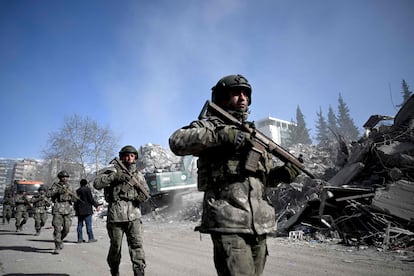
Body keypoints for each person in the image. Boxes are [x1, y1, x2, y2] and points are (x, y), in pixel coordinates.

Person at [169, 74, 301, 276]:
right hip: (228, 221)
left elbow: (258, 181)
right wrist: (221, 136)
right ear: (222, 97)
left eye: (245, 94)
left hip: (259, 225)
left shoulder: (255, 136)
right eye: (236, 93)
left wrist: (283, 174)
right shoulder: (211, 126)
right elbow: (177, 141)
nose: (242, 98)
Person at [94, 145, 149, 276]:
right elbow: (97, 184)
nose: (129, 158)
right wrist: (115, 176)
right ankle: (114, 270)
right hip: (116, 217)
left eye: (131, 155)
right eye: (126, 155)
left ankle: (139, 271)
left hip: (134, 216)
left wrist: (139, 196)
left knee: (137, 246)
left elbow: (146, 194)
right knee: (115, 247)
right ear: (121, 157)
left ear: (135, 157)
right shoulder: (111, 172)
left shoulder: (138, 175)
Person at [47, 170, 77, 254]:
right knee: (57, 228)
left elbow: (74, 198)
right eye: (63, 177)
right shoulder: (56, 185)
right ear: (60, 178)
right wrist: (57, 191)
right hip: (58, 209)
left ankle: (60, 239)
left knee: (67, 228)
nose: (65, 178)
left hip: (67, 209)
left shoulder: (70, 186)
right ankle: (57, 246)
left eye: (66, 177)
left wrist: (74, 197)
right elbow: (48, 194)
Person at [74, 178, 99, 243]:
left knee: (80, 225)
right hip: (87, 210)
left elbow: (75, 201)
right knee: (88, 225)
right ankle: (91, 238)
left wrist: (76, 210)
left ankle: (80, 239)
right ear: (86, 183)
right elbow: (91, 199)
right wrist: (96, 205)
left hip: (80, 211)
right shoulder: (88, 190)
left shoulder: (77, 191)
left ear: (80, 184)